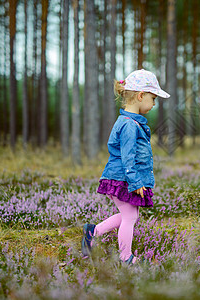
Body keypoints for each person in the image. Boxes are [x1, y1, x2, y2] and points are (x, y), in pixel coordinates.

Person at [81, 69, 170, 264]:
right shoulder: (129, 125)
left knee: (130, 215)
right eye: (153, 98)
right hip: (123, 178)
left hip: (121, 177)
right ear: (140, 95)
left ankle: (93, 232)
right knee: (129, 217)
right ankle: (125, 257)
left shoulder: (131, 123)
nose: (154, 103)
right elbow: (127, 158)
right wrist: (135, 182)